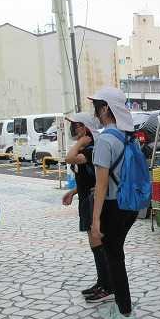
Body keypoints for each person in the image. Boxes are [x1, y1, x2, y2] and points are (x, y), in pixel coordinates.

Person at [88, 87, 140, 319]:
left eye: (97, 107)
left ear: (105, 109)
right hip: (130, 205)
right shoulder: (128, 136)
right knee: (116, 255)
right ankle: (122, 306)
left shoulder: (104, 141)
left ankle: (125, 314)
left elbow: (101, 186)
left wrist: (95, 220)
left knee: (114, 258)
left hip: (112, 205)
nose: (95, 113)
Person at [61, 113, 110, 303]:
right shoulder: (86, 149)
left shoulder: (90, 150)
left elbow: (69, 158)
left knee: (98, 243)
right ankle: (102, 282)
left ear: (87, 128)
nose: (75, 129)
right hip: (85, 199)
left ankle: (108, 286)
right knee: (94, 244)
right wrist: (73, 192)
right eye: (74, 126)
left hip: (93, 202)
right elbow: (88, 179)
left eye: (78, 126)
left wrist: (81, 142)